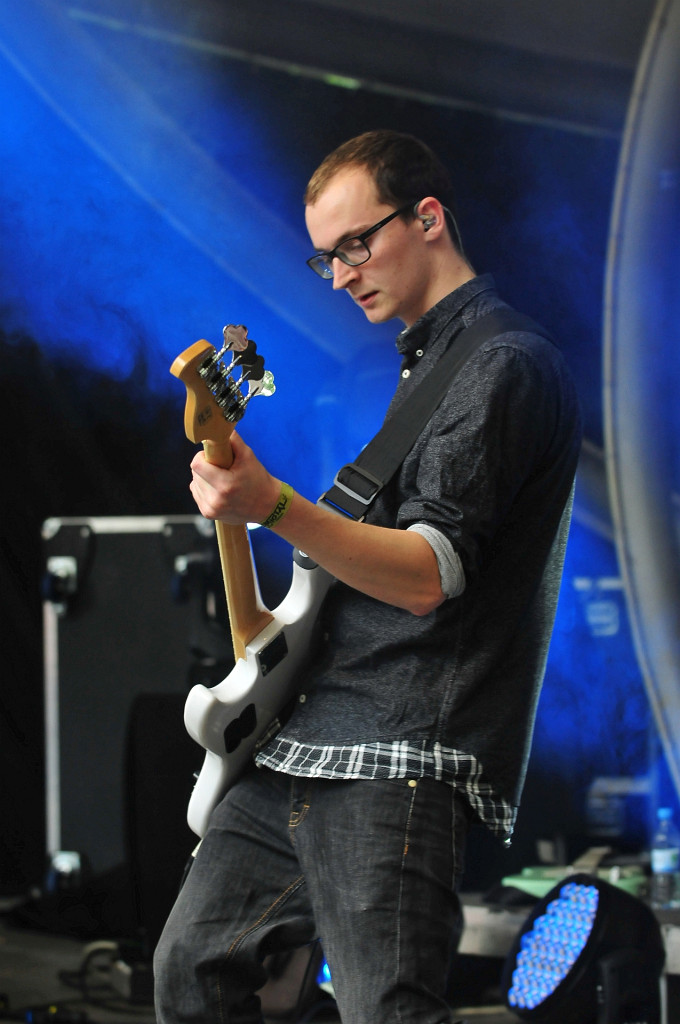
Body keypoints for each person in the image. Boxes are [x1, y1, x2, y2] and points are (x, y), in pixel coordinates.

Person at [154, 129, 582, 1023]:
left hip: (402, 752)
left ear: (428, 218)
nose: (341, 276)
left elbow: (428, 575)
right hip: (311, 734)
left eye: (356, 244)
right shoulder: (432, 360)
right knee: (190, 971)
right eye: (326, 258)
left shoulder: (503, 362)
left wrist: (274, 504)